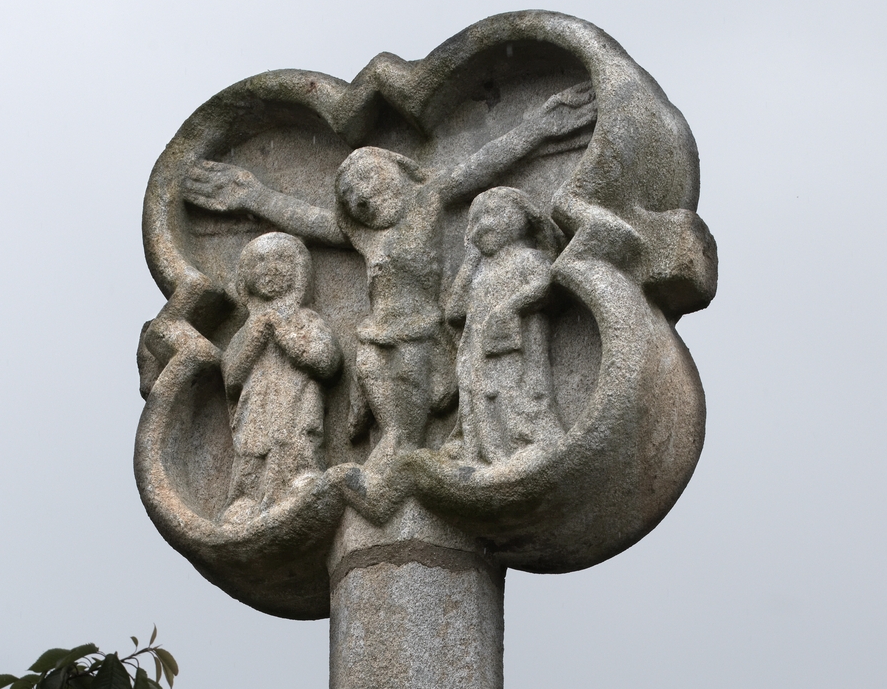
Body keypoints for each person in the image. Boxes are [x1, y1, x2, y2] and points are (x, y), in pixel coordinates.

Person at [184, 84, 594, 460]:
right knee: (391, 429)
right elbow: (310, 220)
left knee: (413, 427)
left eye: (367, 177)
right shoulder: (363, 236)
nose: (360, 194)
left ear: (397, 171)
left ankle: (423, 461)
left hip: (419, 331)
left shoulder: (426, 203)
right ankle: (393, 461)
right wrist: (255, 196)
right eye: (349, 193)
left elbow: (478, 165)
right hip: (374, 338)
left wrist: (540, 128)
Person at [221, 231, 341, 508]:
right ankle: (246, 499)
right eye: (260, 261)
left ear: (299, 271)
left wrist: (284, 335)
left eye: (281, 260)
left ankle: (299, 480)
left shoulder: (305, 319)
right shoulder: (245, 332)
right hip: (255, 409)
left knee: (295, 444)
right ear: (245, 276)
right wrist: (255, 341)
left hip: (297, 404)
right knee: (251, 453)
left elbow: (326, 361)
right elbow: (232, 380)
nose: (270, 269)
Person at [444, 186, 564, 464]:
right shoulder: (479, 271)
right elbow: (454, 310)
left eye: (495, 214)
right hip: (477, 352)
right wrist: (470, 261)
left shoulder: (529, 258)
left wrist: (511, 306)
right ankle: (486, 452)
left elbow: (544, 286)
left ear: (523, 218)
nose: (484, 225)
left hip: (519, 347)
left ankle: (532, 443)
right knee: (482, 397)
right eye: (476, 219)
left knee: (519, 393)